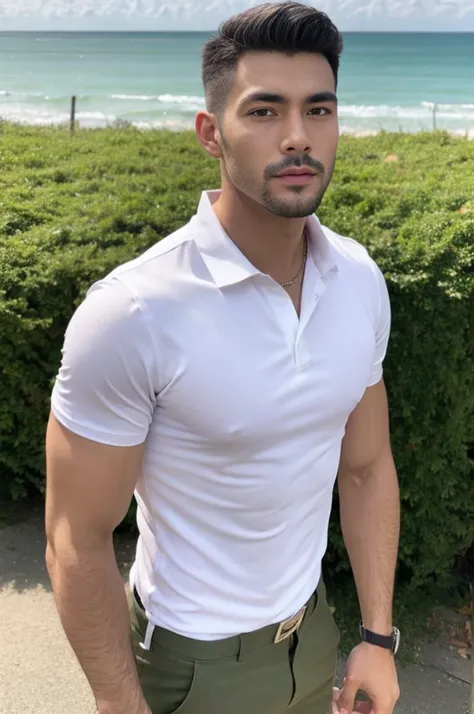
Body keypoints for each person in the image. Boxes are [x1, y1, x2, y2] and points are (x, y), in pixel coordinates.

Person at [44, 3, 401, 714]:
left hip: (316, 630)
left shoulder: (357, 279)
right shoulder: (136, 312)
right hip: (190, 663)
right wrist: (122, 706)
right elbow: (75, 538)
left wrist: (378, 637)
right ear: (212, 132)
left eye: (318, 110)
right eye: (265, 112)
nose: (299, 136)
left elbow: (365, 467)